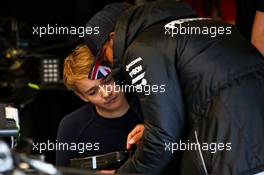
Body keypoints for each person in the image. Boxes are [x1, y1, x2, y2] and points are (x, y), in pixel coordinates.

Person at [84, 1, 264, 174]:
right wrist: (151, 130)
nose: (108, 64)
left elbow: (161, 140)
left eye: (102, 57)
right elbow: (206, 93)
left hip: (239, 155)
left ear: (114, 37)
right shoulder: (193, 26)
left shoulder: (140, 47)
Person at [56, 44, 142, 168]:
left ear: (117, 72)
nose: (106, 93)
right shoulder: (71, 126)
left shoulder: (151, 108)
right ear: (82, 96)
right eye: (93, 92)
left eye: (107, 81)